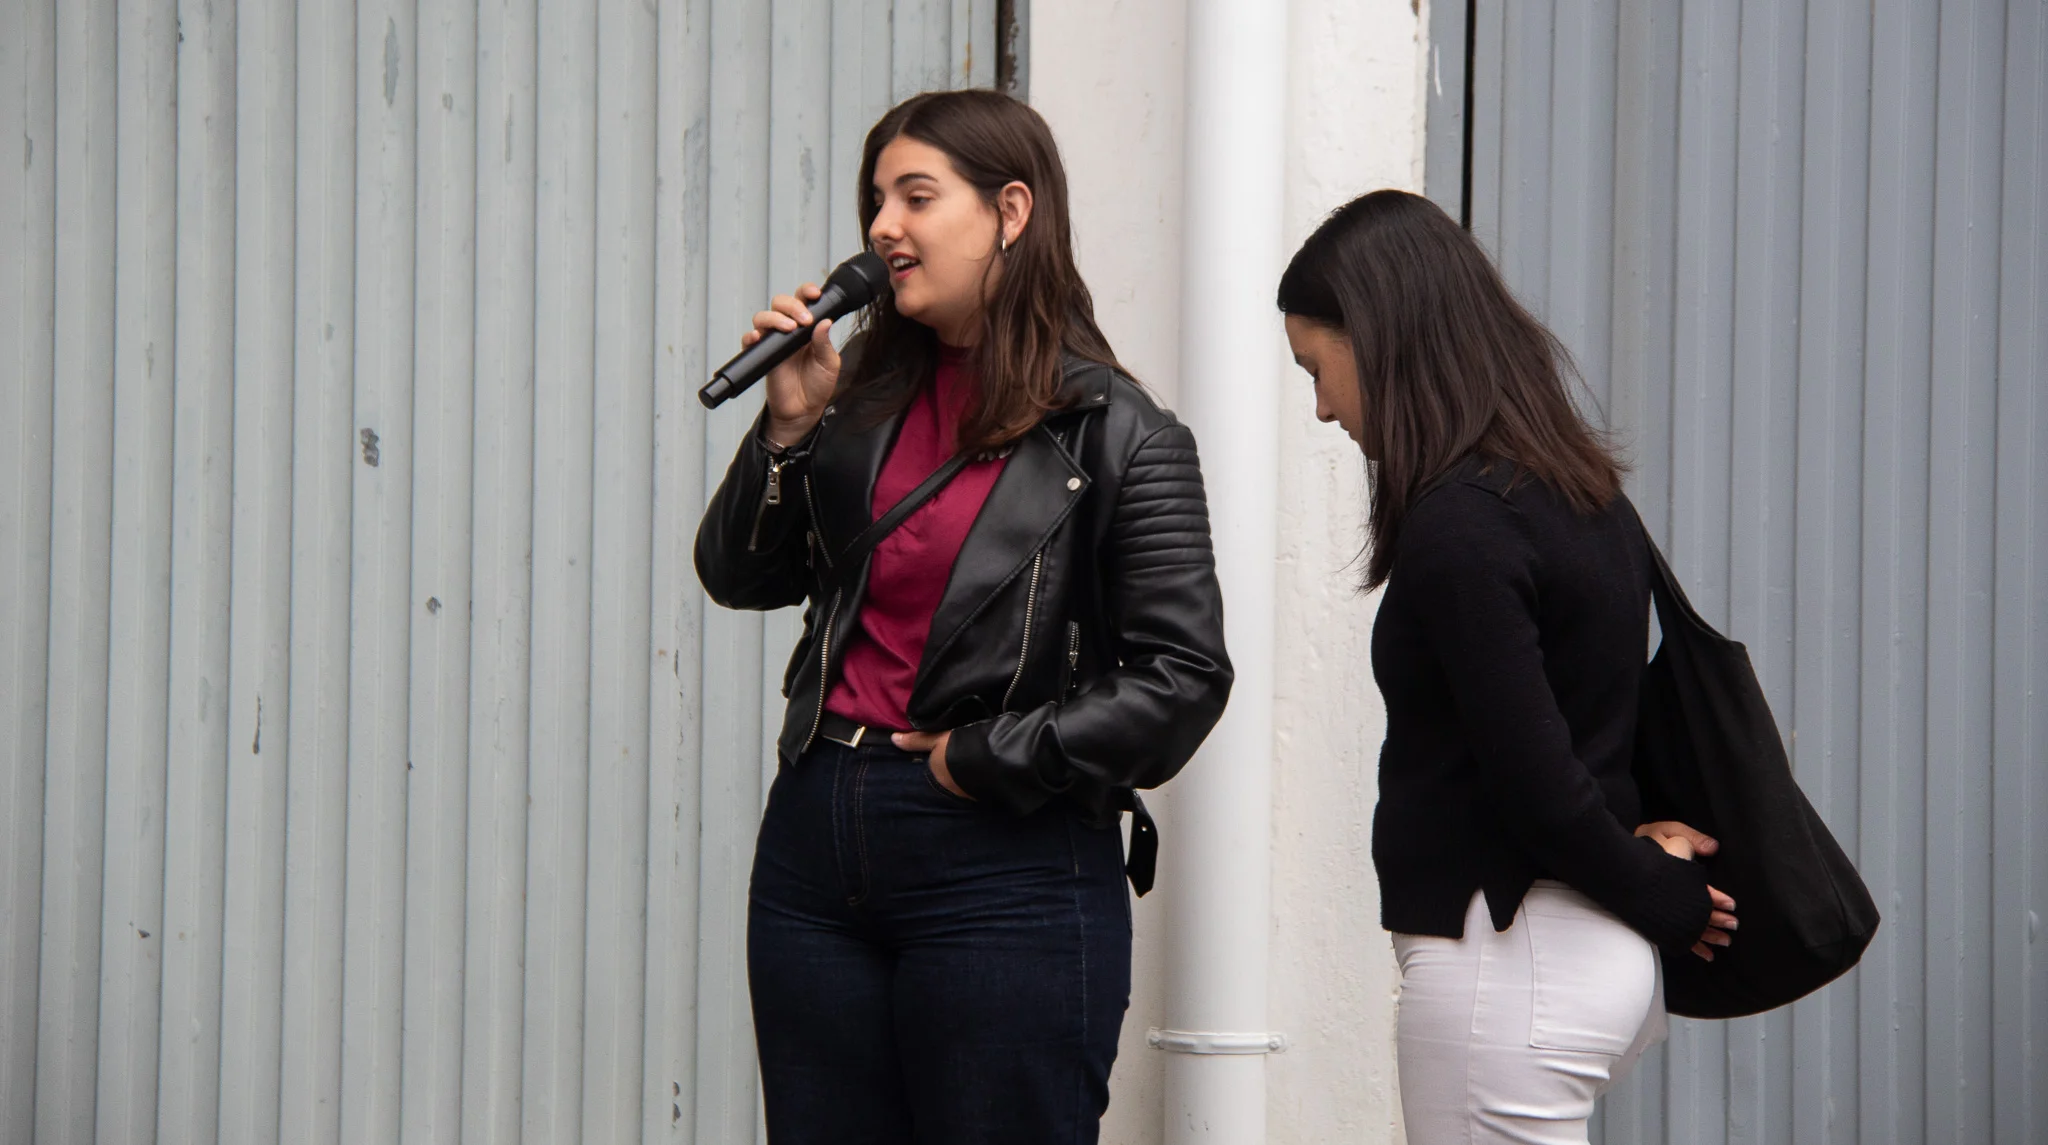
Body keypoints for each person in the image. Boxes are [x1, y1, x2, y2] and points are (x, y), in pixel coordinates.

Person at [694, 89, 1232, 1144]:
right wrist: (789, 431)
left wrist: (989, 754)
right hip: (815, 841)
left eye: (915, 196)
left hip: (1004, 857)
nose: (881, 227)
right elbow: (738, 573)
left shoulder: (1120, 433)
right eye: (875, 201)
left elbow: (1183, 677)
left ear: (1010, 211)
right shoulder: (858, 401)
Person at [1275, 189, 1737, 1145]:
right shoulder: (1583, 494)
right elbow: (1577, 730)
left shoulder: (1462, 523)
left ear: (1383, 338)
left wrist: (1663, 893)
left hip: (1511, 960)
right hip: (1571, 959)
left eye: (1318, 369)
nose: (1321, 408)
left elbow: (1538, 779)